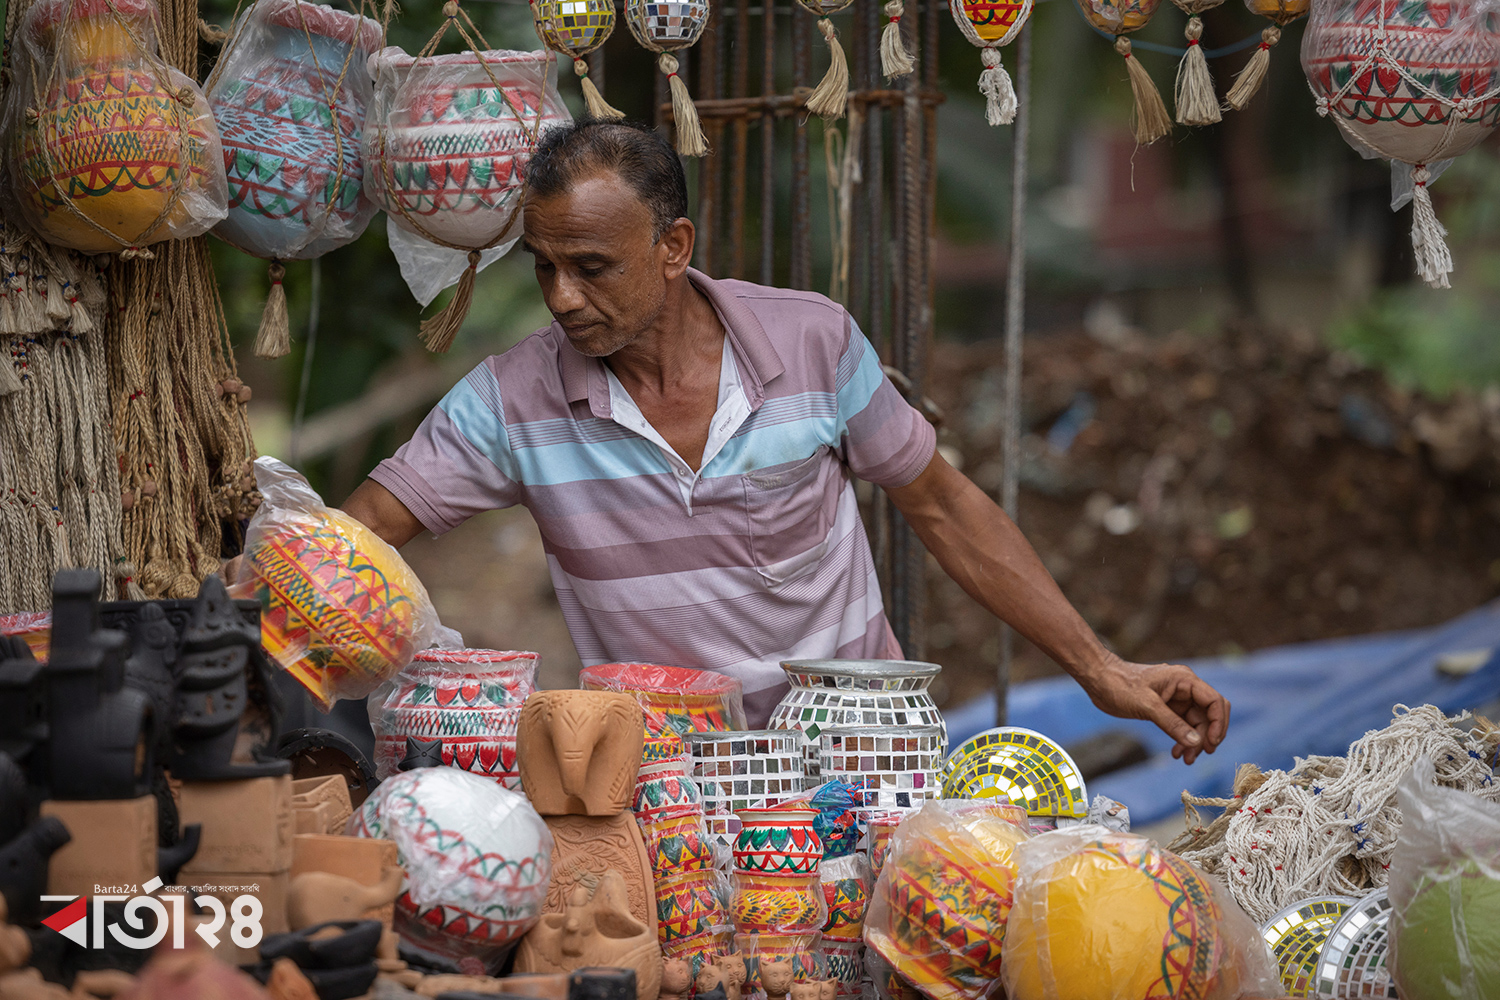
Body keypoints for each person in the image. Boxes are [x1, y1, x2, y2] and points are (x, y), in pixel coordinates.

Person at [341, 118, 1229, 762]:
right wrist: (275, 586)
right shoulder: (510, 401)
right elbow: (359, 535)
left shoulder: (814, 343)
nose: (563, 296)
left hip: (863, 761)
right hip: (672, 792)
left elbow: (945, 508)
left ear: (673, 246)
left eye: (592, 267)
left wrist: (1099, 668)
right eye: (545, 266)